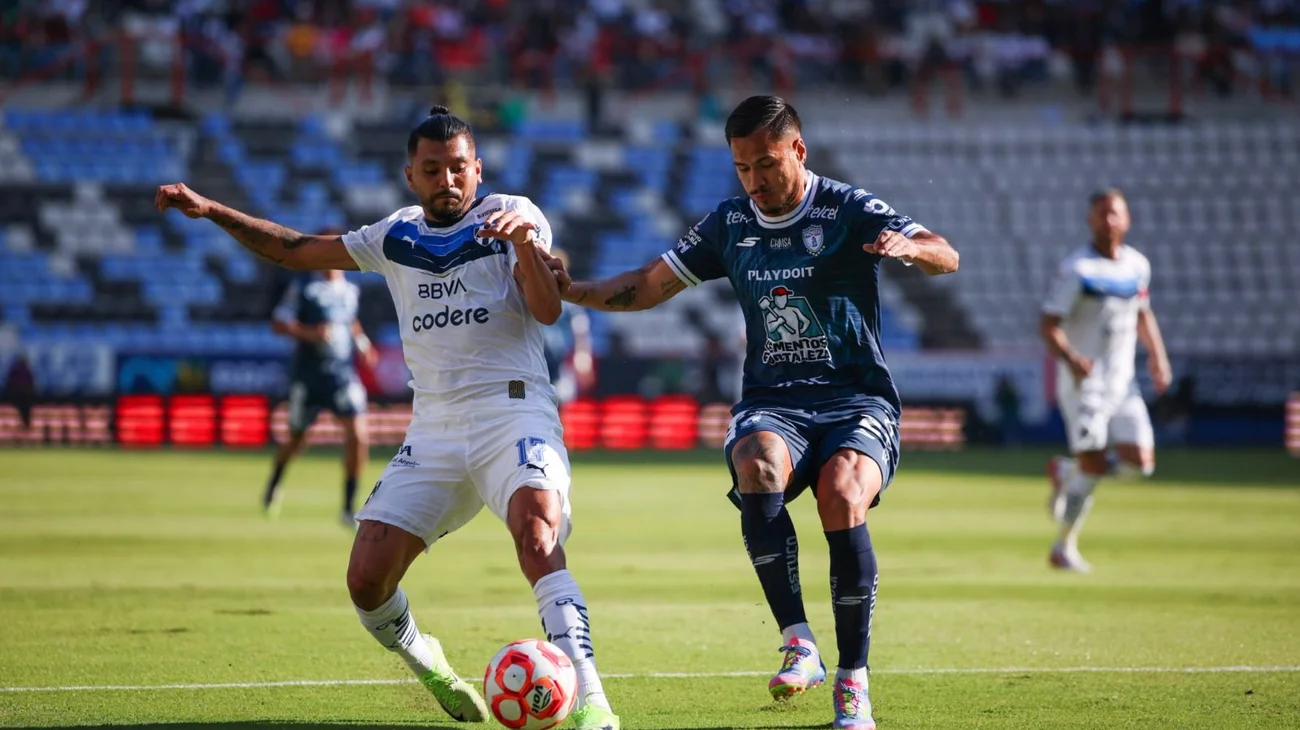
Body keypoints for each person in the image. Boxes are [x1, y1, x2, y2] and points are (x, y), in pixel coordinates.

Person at [155, 106, 620, 730]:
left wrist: (523, 246)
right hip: (433, 428)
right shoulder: (394, 236)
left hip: (513, 412)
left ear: (477, 169)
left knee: (538, 535)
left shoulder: (513, 213)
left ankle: (592, 699)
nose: (448, 180)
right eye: (433, 170)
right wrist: (213, 211)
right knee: (365, 580)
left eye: (459, 168)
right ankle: (426, 659)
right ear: (411, 175)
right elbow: (297, 251)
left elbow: (546, 311)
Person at [547, 95, 958, 730]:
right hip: (775, 403)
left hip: (855, 399)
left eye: (766, 164)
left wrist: (911, 249)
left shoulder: (845, 209)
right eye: (742, 168)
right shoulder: (730, 223)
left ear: (798, 150)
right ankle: (799, 641)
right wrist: (572, 290)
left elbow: (945, 253)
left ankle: (854, 686)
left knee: (842, 493)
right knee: (756, 462)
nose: (755, 181)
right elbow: (650, 284)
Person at [1041, 188, 1171, 573]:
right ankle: (1064, 547)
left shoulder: (1137, 266)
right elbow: (1048, 325)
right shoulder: (1077, 270)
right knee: (1095, 466)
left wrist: (1158, 357)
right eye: (1101, 214)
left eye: (1114, 213)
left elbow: (1142, 313)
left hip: (1123, 383)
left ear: (1127, 219)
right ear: (1090, 220)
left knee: (1140, 463)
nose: (1108, 220)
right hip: (1085, 385)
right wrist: (1071, 358)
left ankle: (1068, 471)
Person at [262, 267, 376, 526]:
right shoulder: (304, 287)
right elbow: (279, 323)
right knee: (298, 438)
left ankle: (348, 507)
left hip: (342, 375)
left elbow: (351, 321)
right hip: (309, 377)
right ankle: (275, 480)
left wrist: (364, 345)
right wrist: (309, 333)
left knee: (358, 434)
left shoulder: (349, 289)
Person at [540, 249, 595, 404]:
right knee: (520, 399)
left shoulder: (569, 300)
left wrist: (582, 356)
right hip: (530, 361)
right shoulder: (527, 293)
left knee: (560, 400)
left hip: (558, 361)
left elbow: (580, 329)